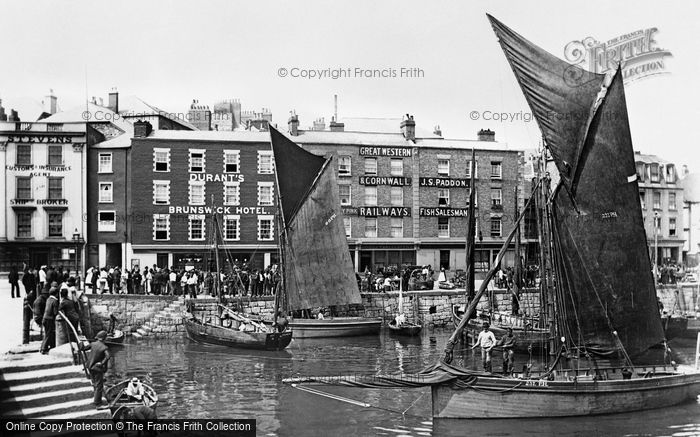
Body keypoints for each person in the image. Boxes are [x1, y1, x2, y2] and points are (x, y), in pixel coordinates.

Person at [88, 331, 111, 407]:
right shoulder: (104, 347)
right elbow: (108, 356)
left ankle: (96, 398)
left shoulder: (93, 344)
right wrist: (102, 363)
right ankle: (97, 402)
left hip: (90, 367)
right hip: (97, 368)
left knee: (95, 383)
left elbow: (83, 348)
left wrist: (80, 344)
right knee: (99, 385)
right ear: (104, 338)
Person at [41, 286, 59, 354]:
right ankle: (43, 349)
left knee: (47, 334)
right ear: (56, 294)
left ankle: (44, 347)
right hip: (49, 319)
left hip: (45, 318)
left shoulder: (48, 299)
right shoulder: (55, 301)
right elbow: (55, 312)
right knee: (48, 334)